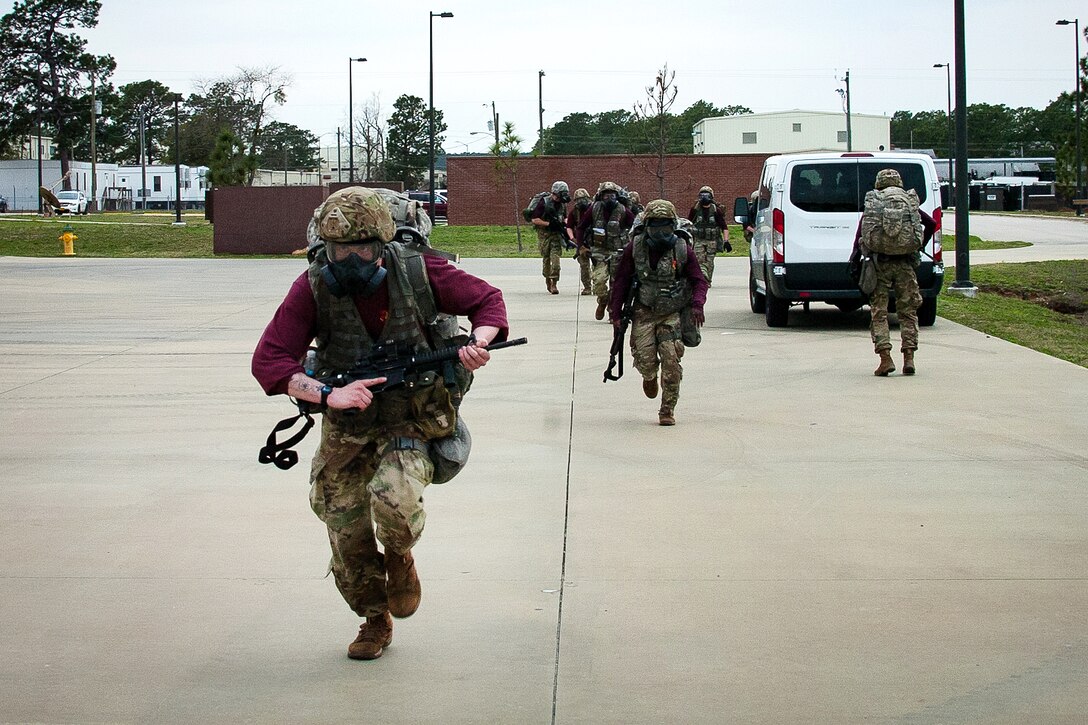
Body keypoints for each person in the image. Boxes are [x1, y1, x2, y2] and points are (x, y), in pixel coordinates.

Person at [252, 187, 509, 661]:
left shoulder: (418, 270)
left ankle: (399, 555)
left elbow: (488, 302)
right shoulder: (312, 285)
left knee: (394, 502)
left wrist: (480, 341)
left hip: (408, 419)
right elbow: (269, 361)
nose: (349, 260)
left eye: (362, 249)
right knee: (342, 523)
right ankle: (373, 618)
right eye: (338, 251)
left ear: (383, 244)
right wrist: (330, 393)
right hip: (347, 425)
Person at [610, 199, 708, 426]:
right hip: (644, 311)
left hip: (671, 312)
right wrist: (616, 313)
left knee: (671, 362)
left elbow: (698, 280)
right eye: (655, 226)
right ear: (646, 226)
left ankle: (667, 410)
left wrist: (697, 304)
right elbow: (621, 280)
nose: (660, 232)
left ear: (673, 226)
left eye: (665, 226)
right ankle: (649, 376)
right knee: (645, 359)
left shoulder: (682, 249)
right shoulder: (635, 247)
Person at [851, 168, 935, 376]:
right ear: (899, 183)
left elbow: (862, 231)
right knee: (908, 312)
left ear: (879, 183)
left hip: (879, 264)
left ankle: (885, 358)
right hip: (906, 265)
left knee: (879, 312)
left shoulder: (875, 203)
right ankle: (909, 358)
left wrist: (855, 256)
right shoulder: (908, 202)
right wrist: (919, 245)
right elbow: (931, 224)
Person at [578, 181, 635, 320]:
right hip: (599, 250)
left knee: (616, 283)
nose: (609, 198)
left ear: (617, 196)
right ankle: (602, 301)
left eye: (612, 195)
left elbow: (635, 228)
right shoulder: (594, 208)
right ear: (601, 196)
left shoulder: (623, 210)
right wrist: (581, 246)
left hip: (618, 250)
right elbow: (580, 227)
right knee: (599, 280)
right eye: (606, 195)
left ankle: (612, 309)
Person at [529, 180, 571, 294]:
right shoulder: (543, 202)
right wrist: (549, 224)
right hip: (544, 235)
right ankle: (547, 280)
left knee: (556, 262)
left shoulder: (562, 204)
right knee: (546, 259)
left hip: (556, 235)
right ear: (555, 193)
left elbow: (565, 217)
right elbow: (535, 219)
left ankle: (554, 283)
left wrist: (567, 225)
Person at [686, 185, 731, 285]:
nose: (704, 197)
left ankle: (707, 280)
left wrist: (726, 241)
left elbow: (724, 227)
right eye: (702, 195)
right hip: (699, 239)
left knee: (709, 261)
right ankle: (702, 279)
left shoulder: (716, 210)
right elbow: (688, 224)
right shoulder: (695, 209)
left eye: (706, 195)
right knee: (699, 260)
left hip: (712, 241)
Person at [565, 187, 594, 295]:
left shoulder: (595, 209)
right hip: (581, 242)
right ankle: (587, 287)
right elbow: (569, 226)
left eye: (583, 199)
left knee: (598, 264)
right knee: (584, 265)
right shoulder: (574, 212)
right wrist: (573, 239)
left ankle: (598, 285)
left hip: (595, 242)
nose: (581, 202)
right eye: (578, 199)